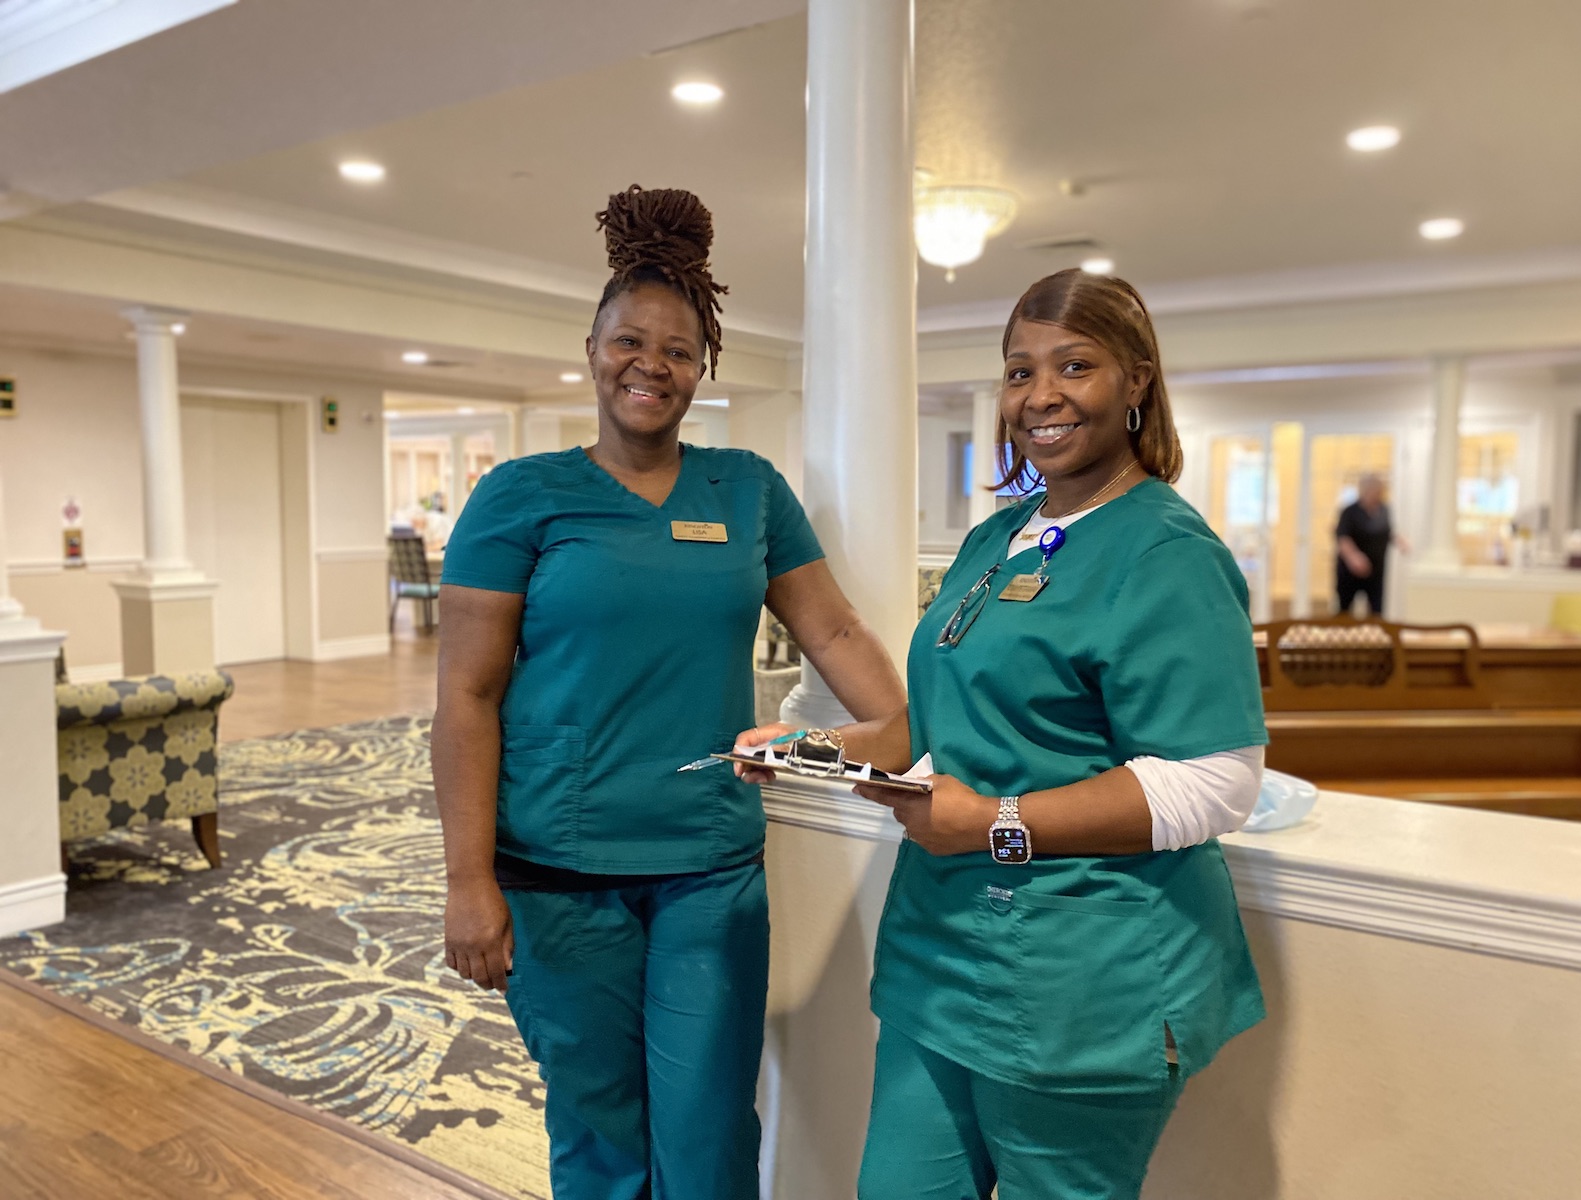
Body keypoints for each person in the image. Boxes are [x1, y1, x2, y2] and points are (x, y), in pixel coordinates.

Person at [738, 268, 1268, 1199]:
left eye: (1075, 365)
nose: (1042, 395)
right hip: (941, 959)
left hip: (1083, 986)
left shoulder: (1168, 556)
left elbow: (1215, 781)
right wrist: (813, 753)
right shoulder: (999, 539)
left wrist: (992, 822)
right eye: (1020, 372)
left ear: (1137, 380)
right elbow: (930, 725)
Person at [431, 184, 905, 1200]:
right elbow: (464, 697)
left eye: (680, 349)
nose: (652, 365)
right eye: (628, 341)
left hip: (707, 867)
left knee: (707, 1131)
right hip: (555, 870)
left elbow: (829, 626)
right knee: (599, 1130)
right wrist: (467, 879)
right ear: (591, 348)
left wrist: (896, 726)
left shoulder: (747, 488)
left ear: (704, 368)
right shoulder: (520, 495)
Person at [1335, 473, 1407, 615]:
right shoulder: (1350, 511)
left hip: (1376, 569)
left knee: (1376, 609)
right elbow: (1343, 538)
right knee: (1345, 609)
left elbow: (1387, 531)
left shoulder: (1384, 510)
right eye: (1375, 490)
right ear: (1364, 491)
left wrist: (1400, 541)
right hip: (1351, 570)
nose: (1378, 494)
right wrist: (1354, 558)